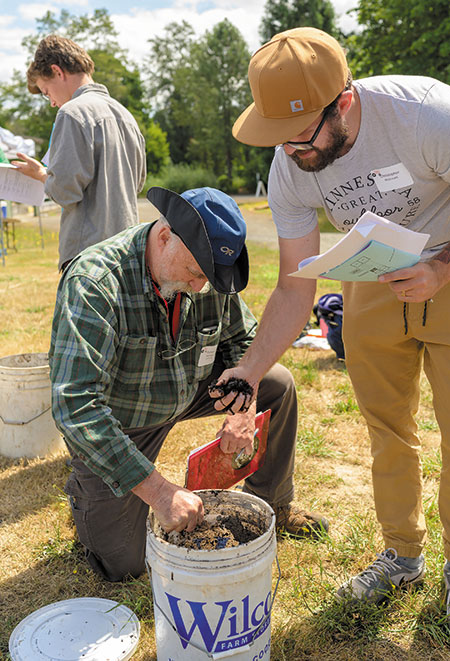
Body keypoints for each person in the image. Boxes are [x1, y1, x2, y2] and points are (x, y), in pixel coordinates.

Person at [211, 27, 450, 651]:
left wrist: (443, 267)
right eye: (277, 137)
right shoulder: (291, 162)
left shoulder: (428, 115)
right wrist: (251, 368)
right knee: (387, 426)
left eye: (301, 135)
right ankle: (401, 556)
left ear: (343, 103)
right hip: (372, 277)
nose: (289, 152)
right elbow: (295, 288)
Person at [49, 185, 328, 582]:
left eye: (208, 278)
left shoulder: (204, 275)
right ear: (164, 237)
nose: (200, 287)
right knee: (125, 564)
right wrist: (162, 494)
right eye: (196, 273)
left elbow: (244, 341)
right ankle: (86, 490)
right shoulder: (95, 283)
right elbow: (75, 405)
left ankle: (274, 504)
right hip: (126, 418)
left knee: (275, 384)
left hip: (191, 386)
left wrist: (244, 409)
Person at [12, 35, 146, 271]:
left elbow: (65, 192)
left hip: (89, 258)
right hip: (128, 253)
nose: (52, 102)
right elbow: (137, 184)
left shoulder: (72, 113)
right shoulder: (126, 115)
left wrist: (44, 176)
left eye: (46, 91)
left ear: (57, 71)